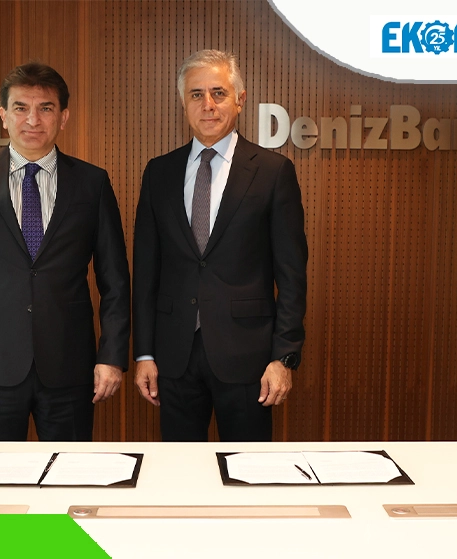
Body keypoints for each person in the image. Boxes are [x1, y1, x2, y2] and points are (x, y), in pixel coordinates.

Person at [0, 62, 130, 441]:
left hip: (70, 366)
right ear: (4, 116)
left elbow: (116, 281)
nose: (33, 120)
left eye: (46, 108)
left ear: (63, 117)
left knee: (69, 472)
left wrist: (111, 357)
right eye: (21, 108)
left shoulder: (92, 182)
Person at [132, 50, 308, 442]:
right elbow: (145, 272)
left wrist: (283, 357)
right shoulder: (159, 172)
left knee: (246, 470)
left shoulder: (273, 172)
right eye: (196, 95)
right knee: (180, 470)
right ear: (183, 103)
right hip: (173, 357)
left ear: (240, 100)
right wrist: (144, 353)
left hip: (248, 358)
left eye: (218, 93)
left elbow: (292, 276)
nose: (207, 105)